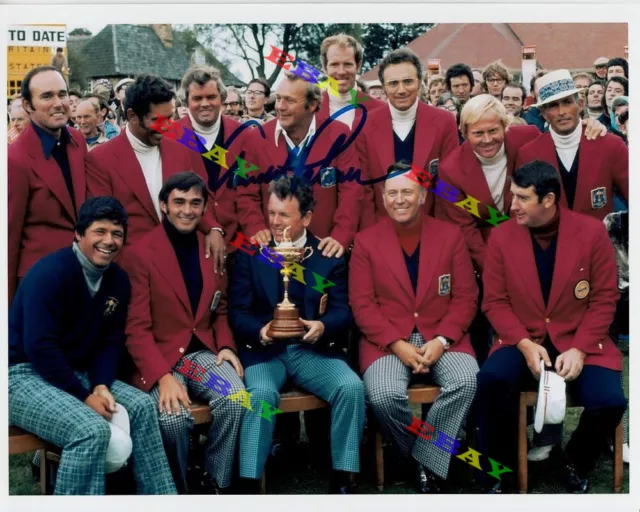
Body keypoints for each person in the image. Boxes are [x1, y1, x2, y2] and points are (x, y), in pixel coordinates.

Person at [9, 196, 177, 495]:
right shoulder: (49, 273)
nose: (109, 241)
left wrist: (100, 384)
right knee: (90, 431)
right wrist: (85, 397)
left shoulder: (118, 280)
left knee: (142, 407)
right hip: (21, 375)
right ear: (79, 233)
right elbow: (40, 348)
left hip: (76, 371)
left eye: (117, 234)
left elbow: (110, 341)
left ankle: (162, 497)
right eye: (100, 231)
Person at [476, 161, 626, 493]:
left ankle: (575, 461)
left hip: (579, 337)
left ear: (548, 200)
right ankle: (502, 471)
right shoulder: (501, 236)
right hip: (522, 337)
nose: (511, 205)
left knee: (610, 401)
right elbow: (494, 302)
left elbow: (604, 297)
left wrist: (580, 347)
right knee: (491, 380)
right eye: (512, 195)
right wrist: (524, 344)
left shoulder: (591, 232)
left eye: (522, 198)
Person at [229, 177, 365, 494]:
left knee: (351, 386)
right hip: (264, 351)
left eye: (284, 215)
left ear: (305, 217)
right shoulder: (253, 253)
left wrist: (324, 326)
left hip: (312, 351)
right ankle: (249, 483)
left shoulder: (328, 255)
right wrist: (259, 331)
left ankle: (344, 478)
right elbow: (237, 311)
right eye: (271, 213)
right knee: (260, 396)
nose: (275, 222)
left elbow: (343, 310)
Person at [350, 162, 479, 493]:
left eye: (407, 192)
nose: (399, 199)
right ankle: (434, 456)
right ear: (382, 197)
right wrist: (396, 344)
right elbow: (363, 305)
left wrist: (441, 339)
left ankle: (420, 459)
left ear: (423, 195)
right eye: (392, 193)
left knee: (466, 380)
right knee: (383, 395)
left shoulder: (450, 236)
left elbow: (466, 297)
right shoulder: (365, 242)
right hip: (386, 340)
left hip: (443, 334)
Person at [125, 172, 246, 494]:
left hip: (199, 356)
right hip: (160, 358)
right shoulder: (140, 254)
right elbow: (136, 329)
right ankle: (177, 488)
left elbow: (218, 311)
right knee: (172, 419)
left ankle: (214, 480)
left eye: (195, 203)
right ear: (164, 205)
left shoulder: (211, 249)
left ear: (204, 206)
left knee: (236, 398)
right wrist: (162, 376)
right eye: (179, 202)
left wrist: (226, 347)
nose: (187, 210)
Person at [85, 73, 226, 270]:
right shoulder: (100, 160)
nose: (167, 127)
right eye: (158, 120)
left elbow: (199, 199)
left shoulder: (181, 150)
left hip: (181, 262)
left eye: (170, 118)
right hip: (130, 270)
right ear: (133, 116)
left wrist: (213, 228)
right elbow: (103, 226)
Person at [237, 70, 362, 257]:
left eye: (289, 100)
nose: (280, 106)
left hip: (324, 250)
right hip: (272, 251)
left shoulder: (339, 135)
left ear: (312, 104)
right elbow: (245, 192)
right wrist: (255, 227)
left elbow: (351, 191)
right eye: (278, 98)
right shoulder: (256, 138)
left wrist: (341, 235)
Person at [8, 66, 88, 304]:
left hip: (82, 277)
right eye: (46, 96)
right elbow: (9, 237)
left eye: (62, 94)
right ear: (27, 105)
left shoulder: (77, 140)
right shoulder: (15, 160)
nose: (58, 103)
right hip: (39, 286)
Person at [357, 49, 459, 229]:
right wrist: (372, 235)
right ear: (384, 87)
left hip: (432, 227)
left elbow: (448, 186)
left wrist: (442, 232)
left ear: (420, 82)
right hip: (381, 229)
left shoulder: (445, 122)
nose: (401, 90)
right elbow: (364, 191)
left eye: (408, 81)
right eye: (393, 83)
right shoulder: (363, 125)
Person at [517, 70, 627, 221]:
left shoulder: (611, 145)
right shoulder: (528, 154)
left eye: (567, 102)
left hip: (599, 242)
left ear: (580, 104)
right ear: (543, 113)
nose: (561, 111)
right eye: (553, 106)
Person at [177, 65, 260, 245]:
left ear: (221, 99)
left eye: (211, 97)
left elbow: (249, 190)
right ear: (186, 102)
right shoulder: (173, 137)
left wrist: (254, 232)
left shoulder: (244, 136)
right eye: (197, 98)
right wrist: (210, 227)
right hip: (192, 241)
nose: (205, 103)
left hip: (240, 243)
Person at [316, 33, 386, 129]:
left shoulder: (380, 110)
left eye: (347, 64)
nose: (341, 72)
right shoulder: (309, 112)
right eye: (334, 64)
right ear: (324, 67)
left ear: (358, 66)